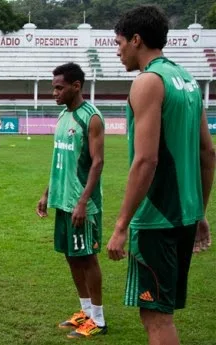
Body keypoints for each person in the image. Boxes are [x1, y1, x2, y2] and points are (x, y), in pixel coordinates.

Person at [106, 5, 215, 345]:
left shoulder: (148, 82)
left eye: (119, 41)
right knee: (159, 312)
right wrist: (199, 212)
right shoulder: (188, 81)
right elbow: (208, 153)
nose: (118, 49)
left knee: (156, 317)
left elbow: (146, 160)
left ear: (136, 40)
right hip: (183, 216)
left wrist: (121, 225)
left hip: (156, 219)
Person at [36, 62, 107, 338]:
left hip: (83, 205)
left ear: (76, 87)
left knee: (87, 257)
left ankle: (99, 320)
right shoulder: (63, 116)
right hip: (63, 201)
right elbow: (60, 162)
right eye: (53, 87)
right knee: (71, 256)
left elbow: (98, 163)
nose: (54, 92)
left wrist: (82, 202)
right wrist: (46, 193)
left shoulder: (92, 118)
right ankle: (85, 312)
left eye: (58, 87)